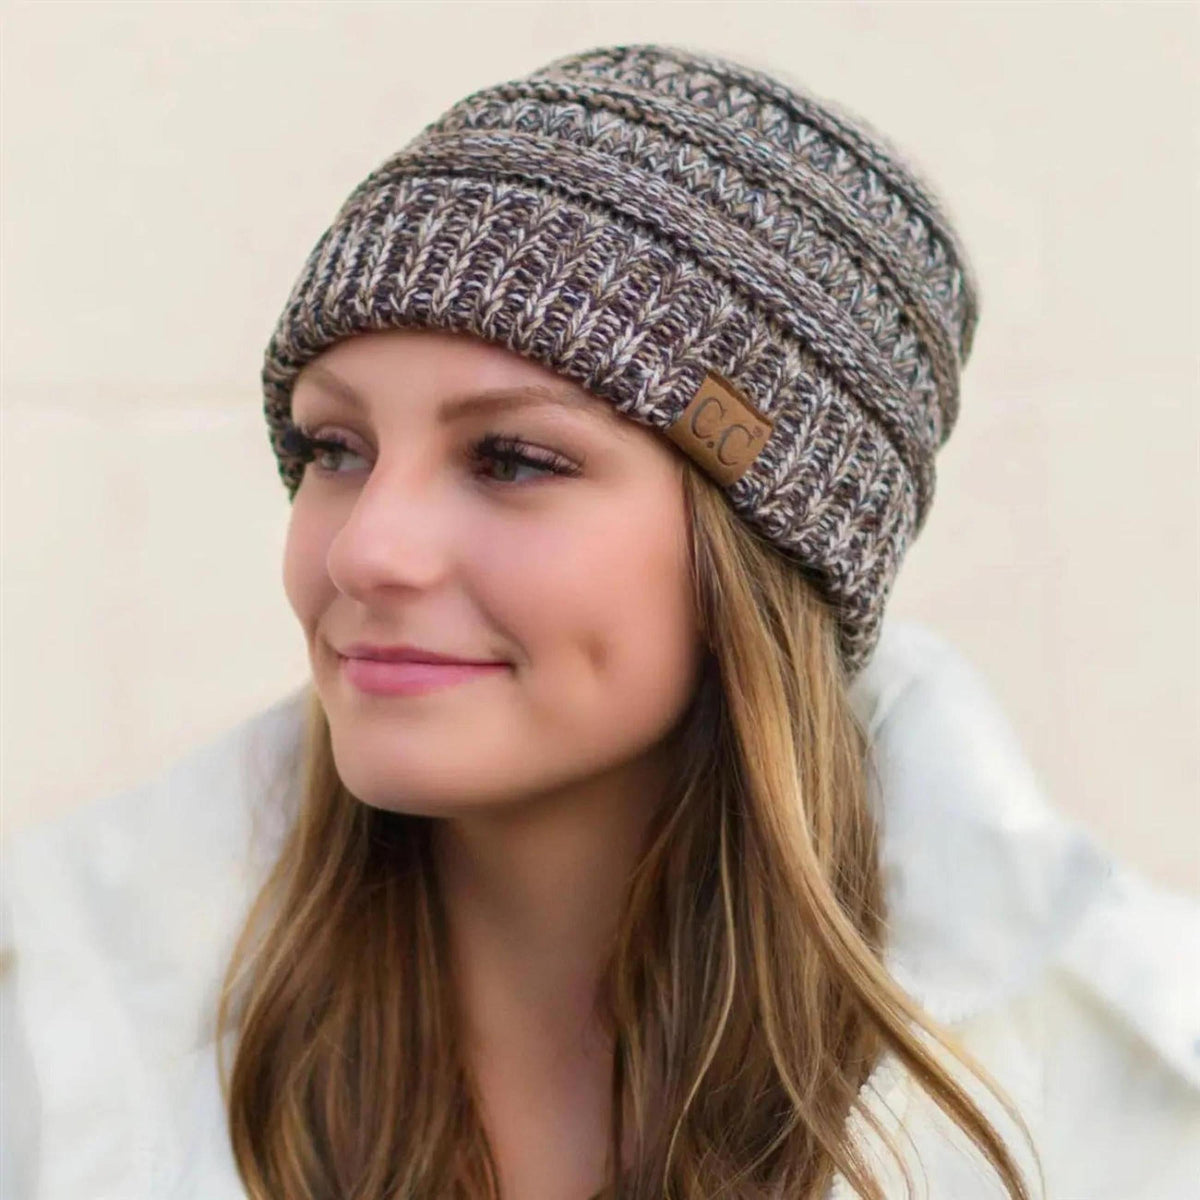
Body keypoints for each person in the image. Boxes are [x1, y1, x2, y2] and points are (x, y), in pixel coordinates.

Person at [3, 41, 1198, 1200]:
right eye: (336, 449)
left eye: (513, 459)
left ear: (766, 549)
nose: (366, 548)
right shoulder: (60, 1030)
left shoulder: (1128, 1094)